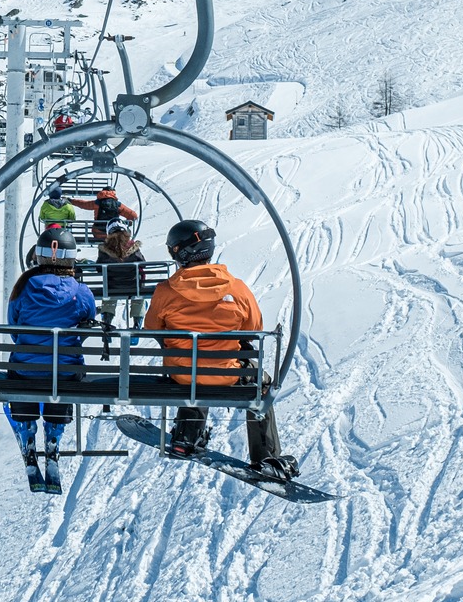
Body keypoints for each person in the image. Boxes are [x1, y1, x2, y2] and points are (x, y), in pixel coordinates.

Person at [141, 219, 298, 480]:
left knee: (191, 370)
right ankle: (265, 456)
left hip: (183, 375)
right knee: (262, 382)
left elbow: (152, 328)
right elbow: (254, 327)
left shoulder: (166, 291)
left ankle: (187, 435)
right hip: (227, 375)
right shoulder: (236, 287)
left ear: (178, 252)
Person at [5, 225, 97, 488]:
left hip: (26, 371)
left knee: (24, 369)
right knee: (63, 373)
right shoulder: (80, 291)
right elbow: (89, 320)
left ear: (39, 256)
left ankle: (27, 432)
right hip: (65, 372)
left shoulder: (23, 287)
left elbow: (14, 325)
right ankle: (54, 437)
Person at [93, 218, 145, 320]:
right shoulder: (133, 247)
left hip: (112, 287)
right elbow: (142, 264)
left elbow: (99, 268)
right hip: (133, 287)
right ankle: (137, 320)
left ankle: (107, 319)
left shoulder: (105, 249)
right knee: (139, 295)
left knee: (108, 291)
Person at [70, 186, 138, 240]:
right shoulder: (117, 205)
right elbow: (133, 215)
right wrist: (127, 223)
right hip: (113, 234)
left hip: (98, 233)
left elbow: (84, 204)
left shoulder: (97, 203)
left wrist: (71, 201)